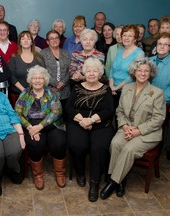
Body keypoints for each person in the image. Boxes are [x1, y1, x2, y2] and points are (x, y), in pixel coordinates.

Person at [100, 57, 166, 200]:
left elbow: (158, 119)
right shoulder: (127, 88)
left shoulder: (157, 92)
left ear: (151, 73)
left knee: (129, 149)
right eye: (139, 70)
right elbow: (120, 111)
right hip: (127, 128)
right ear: (134, 72)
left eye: (146, 71)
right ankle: (121, 181)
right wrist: (124, 126)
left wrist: (138, 130)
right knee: (115, 144)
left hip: (147, 133)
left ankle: (113, 182)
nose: (142, 73)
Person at [66, 58, 114, 202]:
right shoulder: (76, 87)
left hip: (101, 125)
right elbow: (69, 107)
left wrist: (91, 119)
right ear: (84, 72)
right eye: (88, 70)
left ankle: (94, 183)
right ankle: (80, 172)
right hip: (78, 123)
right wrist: (81, 119)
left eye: (94, 71)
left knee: (98, 148)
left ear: (100, 73)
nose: (91, 73)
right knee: (77, 144)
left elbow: (109, 110)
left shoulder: (106, 89)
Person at [15, 65, 67, 190]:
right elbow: (17, 113)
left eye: (40, 78)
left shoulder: (51, 92)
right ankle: (37, 174)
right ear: (30, 80)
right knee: (35, 144)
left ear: (45, 80)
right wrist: (29, 127)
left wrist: (40, 126)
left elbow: (56, 112)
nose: (37, 81)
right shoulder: (24, 94)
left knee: (59, 142)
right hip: (31, 125)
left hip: (52, 124)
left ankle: (60, 173)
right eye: (34, 78)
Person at [109, 25, 145, 108]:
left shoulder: (139, 53)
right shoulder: (119, 51)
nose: (126, 38)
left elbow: (134, 75)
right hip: (113, 90)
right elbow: (112, 69)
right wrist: (111, 86)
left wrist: (117, 87)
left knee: (124, 118)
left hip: (128, 92)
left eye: (130, 36)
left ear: (135, 38)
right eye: (124, 35)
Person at [9, 31, 45, 104]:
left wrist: (36, 91)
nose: (26, 41)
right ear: (20, 42)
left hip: (37, 95)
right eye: (23, 39)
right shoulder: (14, 57)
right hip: (18, 95)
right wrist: (24, 90)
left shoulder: (39, 57)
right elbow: (11, 76)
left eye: (28, 39)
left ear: (32, 42)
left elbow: (44, 75)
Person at [150, 32, 170, 160]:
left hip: (163, 103)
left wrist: (156, 99)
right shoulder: (149, 60)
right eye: (159, 44)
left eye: (165, 44)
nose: (162, 47)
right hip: (145, 101)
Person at [40, 30, 71, 110]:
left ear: (59, 40)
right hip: (49, 90)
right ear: (47, 41)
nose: (54, 40)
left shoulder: (66, 53)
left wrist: (63, 82)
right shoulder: (42, 54)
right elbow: (42, 71)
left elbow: (70, 70)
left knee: (64, 115)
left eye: (56, 38)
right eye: (51, 38)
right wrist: (56, 84)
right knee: (51, 116)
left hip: (65, 91)